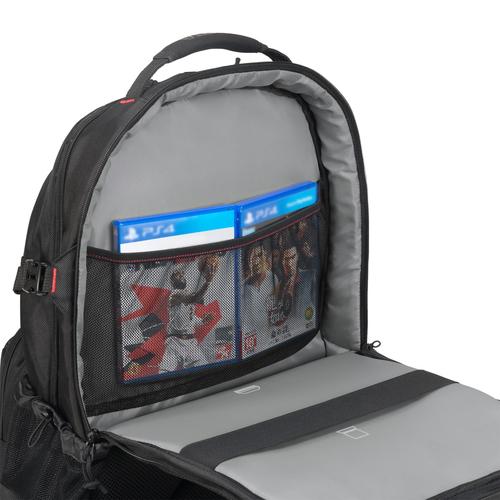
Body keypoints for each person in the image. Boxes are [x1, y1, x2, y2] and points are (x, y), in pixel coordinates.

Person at [160, 256, 217, 372]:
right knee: (164, 373)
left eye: (182, 275)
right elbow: (194, 297)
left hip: (191, 343)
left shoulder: (186, 294)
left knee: (204, 370)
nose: (181, 276)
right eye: (178, 276)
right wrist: (207, 282)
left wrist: (202, 321)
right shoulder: (175, 295)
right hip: (175, 342)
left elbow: (189, 318)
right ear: (173, 282)